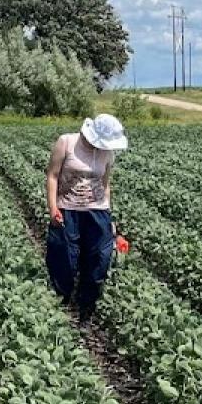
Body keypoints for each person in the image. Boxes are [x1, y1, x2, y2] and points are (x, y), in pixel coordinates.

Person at [46, 114, 128, 320]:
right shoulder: (66, 142)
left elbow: (105, 185)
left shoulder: (107, 154)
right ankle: (61, 305)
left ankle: (86, 310)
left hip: (98, 211)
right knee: (65, 259)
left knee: (99, 259)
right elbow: (52, 176)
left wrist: (110, 219)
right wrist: (53, 207)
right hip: (68, 209)